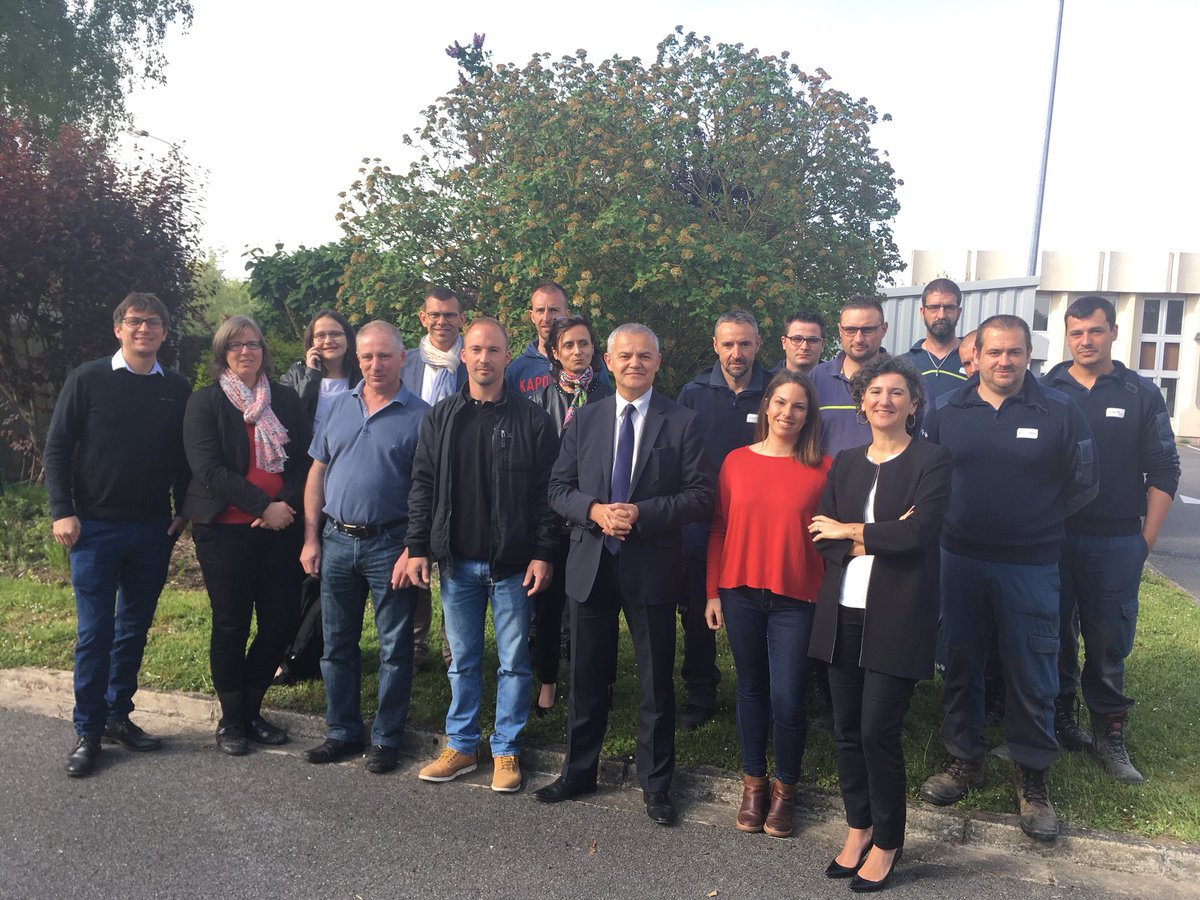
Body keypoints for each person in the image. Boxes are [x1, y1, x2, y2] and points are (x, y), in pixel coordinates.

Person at [919, 315, 1098, 843]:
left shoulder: (1059, 411)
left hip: (1032, 564)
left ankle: (1033, 779)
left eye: (1014, 353)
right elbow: (928, 477)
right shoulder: (946, 410)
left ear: (1028, 355)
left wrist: (1033, 521)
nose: (1004, 362)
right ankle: (963, 760)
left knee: (1032, 669)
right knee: (960, 660)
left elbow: (1083, 483)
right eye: (994, 352)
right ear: (976, 355)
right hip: (961, 560)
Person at [535, 323, 713, 826]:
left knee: (656, 681)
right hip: (592, 563)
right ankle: (578, 771)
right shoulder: (585, 419)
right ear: (608, 363)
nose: (635, 363)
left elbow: (701, 495)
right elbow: (557, 489)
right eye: (625, 356)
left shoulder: (682, 422)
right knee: (586, 675)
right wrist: (592, 510)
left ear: (659, 362)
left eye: (645, 356)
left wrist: (644, 513)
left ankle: (656, 784)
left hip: (651, 566)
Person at [808, 356, 952, 891]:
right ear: (861, 403)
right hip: (842, 609)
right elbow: (820, 538)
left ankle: (889, 841)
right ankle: (858, 825)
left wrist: (853, 531)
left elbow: (921, 536)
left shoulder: (932, 461)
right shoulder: (844, 462)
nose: (884, 401)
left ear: (914, 404)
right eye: (875, 392)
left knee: (877, 731)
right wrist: (877, 534)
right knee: (846, 731)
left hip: (898, 614)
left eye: (897, 393)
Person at [406, 317, 559, 793]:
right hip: (457, 562)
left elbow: (547, 495)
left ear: (506, 357)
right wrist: (416, 547)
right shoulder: (443, 416)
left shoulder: (532, 420)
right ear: (464, 356)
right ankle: (462, 744)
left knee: (514, 660)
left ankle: (507, 749)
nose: (485, 358)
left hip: (512, 565)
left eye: (494, 350)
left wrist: (543, 552)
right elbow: (423, 484)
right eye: (476, 350)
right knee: (464, 659)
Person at [43, 292, 191, 777]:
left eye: (153, 323)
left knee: (133, 629)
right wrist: (62, 511)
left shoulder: (178, 388)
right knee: (94, 633)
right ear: (118, 329)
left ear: (165, 333)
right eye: (134, 321)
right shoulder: (87, 379)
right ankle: (87, 731)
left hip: (152, 529)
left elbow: (187, 457)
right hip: (94, 528)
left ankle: (116, 715)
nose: (143, 329)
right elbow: (58, 448)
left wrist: (182, 510)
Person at [1042, 296, 1179, 783]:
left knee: (1107, 641)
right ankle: (1059, 724)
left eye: (1095, 332)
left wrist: (1144, 541)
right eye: (1076, 332)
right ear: (1067, 334)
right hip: (1053, 541)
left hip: (1117, 540)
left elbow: (1164, 469)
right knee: (1052, 637)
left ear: (1114, 333)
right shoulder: (1045, 390)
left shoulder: (1141, 393)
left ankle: (1109, 736)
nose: (1085, 341)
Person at [300, 321, 430, 774]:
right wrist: (311, 538)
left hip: (389, 545)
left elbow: (426, 490)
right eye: (368, 356)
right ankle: (341, 731)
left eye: (386, 356)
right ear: (358, 359)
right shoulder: (337, 408)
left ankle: (387, 738)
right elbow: (317, 473)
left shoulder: (422, 415)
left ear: (402, 359)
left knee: (396, 648)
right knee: (337, 644)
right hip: (336, 540)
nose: (376, 365)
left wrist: (413, 547)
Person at [704, 370, 829, 839]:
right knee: (751, 689)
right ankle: (753, 783)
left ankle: (786, 789)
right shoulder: (735, 461)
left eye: (798, 406)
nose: (787, 413)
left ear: (808, 415)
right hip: (739, 592)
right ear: (767, 406)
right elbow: (718, 527)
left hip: (796, 597)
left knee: (788, 696)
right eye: (780, 403)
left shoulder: (824, 468)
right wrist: (712, 591)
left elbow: (831, 533)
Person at [182, 316, 311, 755]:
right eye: (235, 345)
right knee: (232, 624)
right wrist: (263, 506)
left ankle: (253, 709)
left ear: (263, 351)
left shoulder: (287, 401)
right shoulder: (206, 403)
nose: (245, 351)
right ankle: (231, 719)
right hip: (224, 533)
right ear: (224, 353)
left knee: (278, 623)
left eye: (253, 343)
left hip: (280, 530)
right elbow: (209, 469)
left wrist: (285, 506)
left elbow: (304, 463)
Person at [676, 309, 769, 731]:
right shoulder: (693, 393)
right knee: (698, 609)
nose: (737, 352)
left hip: (761, 523)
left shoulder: (776, 391)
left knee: (765, 610)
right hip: (701, 520)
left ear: (758, 345)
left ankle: (763, 691)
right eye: (728, 344)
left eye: (745, 343)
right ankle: (700, 692)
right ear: (715, 346)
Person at [529, 314, 613, 716]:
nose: (577, 352)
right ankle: (547, 679)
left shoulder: (607, 395)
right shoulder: (539, 401)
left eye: (584, 344)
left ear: (594, 349)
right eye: (568, 346)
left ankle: (592, 680)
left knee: (590, 609)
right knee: (546, 607)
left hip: (593, 518)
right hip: (550, 520)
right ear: (555, 353)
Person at [401, 287, 469, 673]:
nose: (442, 322)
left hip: (459, 475)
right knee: (415, 554)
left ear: (461, 319)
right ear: (423, 318)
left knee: (452, 565)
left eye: (450, 315)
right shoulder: (405, 362)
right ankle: (414, 645)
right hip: (411, 472)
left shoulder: (472, 361)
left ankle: (452, 650)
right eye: (435, 315)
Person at [811, 295, 889, 455]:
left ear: (884, 329)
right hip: (828, 479)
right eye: (850, 330)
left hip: (886, 478)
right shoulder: (816, 379)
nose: (858, 338)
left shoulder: (903, 381)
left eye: (867, 330)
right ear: (840, 330)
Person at [505, 281, 608, 395]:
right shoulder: (517, 369)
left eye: (553, 310)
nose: (546, 318)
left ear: (567, 314)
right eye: (540, 310)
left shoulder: (591, 363)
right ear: (532, 316)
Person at [279, 309, 361, 436]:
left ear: (349, 340)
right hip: (307, 454)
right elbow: (286, 414)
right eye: (320, 336)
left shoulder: (362, 374)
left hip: (352, 453)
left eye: (335, 334)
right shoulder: (297, 372)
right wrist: (311, 377)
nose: (328, 341)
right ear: (312, 342)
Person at [901, 278, 968, 403]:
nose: (941, 315)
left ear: (958, 312)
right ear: (922, 312)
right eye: (934, 307)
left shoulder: (973, 361)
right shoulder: (903, 364)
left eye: (949, 307)